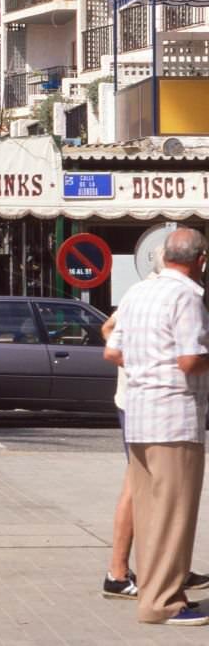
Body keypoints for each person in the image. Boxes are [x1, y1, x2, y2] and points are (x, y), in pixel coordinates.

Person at [105, 227, 209, 626]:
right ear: (201, 261)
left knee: (150, 515)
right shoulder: (187, 296)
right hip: (175, 419)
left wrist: (147, 369)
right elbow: (189, 360)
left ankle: (153, 593)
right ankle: (165, 602)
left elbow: (112, 350)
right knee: (174, 515)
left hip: (139, 414)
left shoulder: (138, 293)